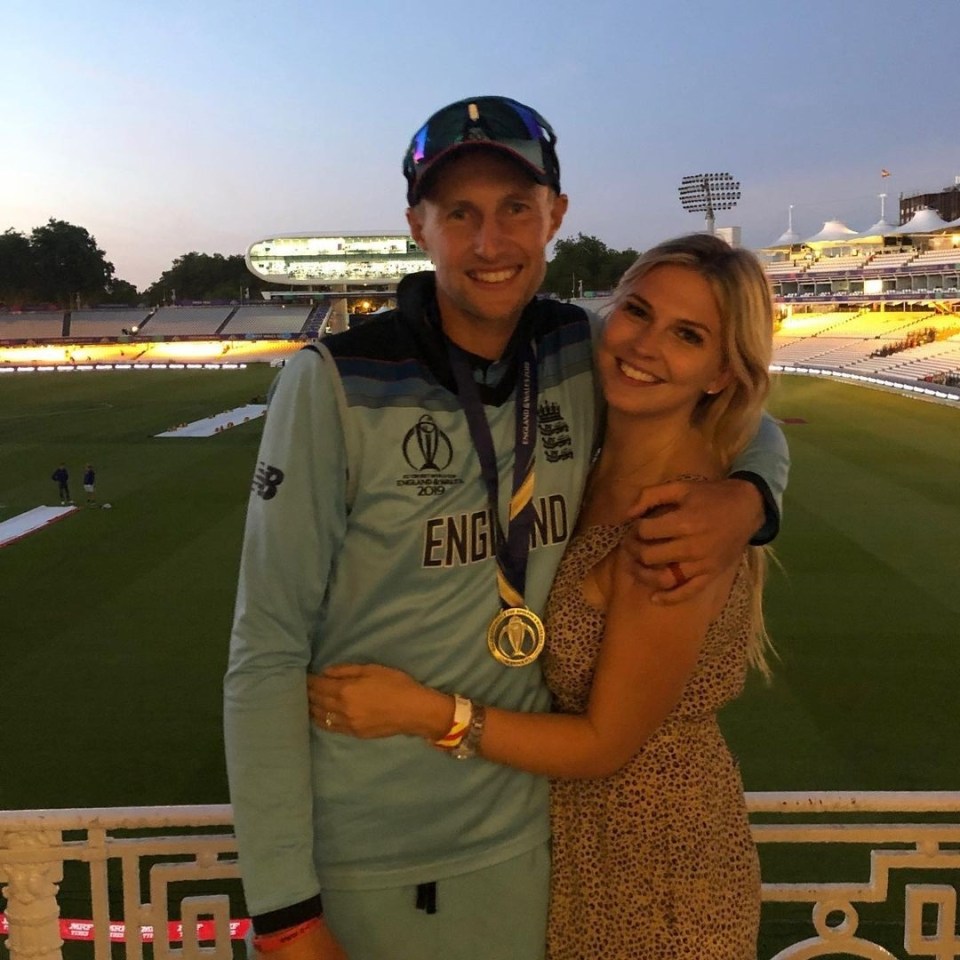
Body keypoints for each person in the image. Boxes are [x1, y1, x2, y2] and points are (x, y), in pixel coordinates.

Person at [224, 96, 789, 960]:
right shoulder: (332, 383)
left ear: (554, 217)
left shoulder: (576, 350)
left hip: (532, 846)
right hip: (373, 850)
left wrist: (748, 498)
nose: (491, 243)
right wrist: (284, 912)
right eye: (461, 214)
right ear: (419, 226)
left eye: (516, 209)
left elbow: (733, 403)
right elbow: (265, 648)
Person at [308, 233, 774, 959]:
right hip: (584, 848)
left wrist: (423, 711)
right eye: (638, 312)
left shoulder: (676, 528)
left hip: (659, 871)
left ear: (720, 374)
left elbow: (603, 744)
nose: (646, 346)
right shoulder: (589, 463)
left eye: (687, 336)